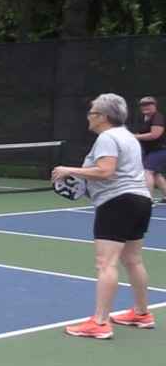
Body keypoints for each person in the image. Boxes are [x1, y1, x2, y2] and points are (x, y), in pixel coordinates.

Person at [52, 93, 156, 339]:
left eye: (92, 113)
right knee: (133, 260)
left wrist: (68, 170)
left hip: (118, 203)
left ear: (104, 117)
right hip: (140, 200)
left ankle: (99, 323)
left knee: (105, 264)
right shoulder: (128, 137)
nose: (89, 117)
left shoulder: (108, 137)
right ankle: (142, 313)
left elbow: (106, 171)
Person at [132, 96, 166, 202]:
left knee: (147, 171)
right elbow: (142, 133)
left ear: (154, 106)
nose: (145, 107)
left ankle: (147, 199)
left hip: (160, 150)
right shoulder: (145, 119)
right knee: (156, 174)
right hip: (152, 151)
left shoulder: (157, 117)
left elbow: (155, 135)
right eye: (143, 105)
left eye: (148, 104)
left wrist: (135, 137)